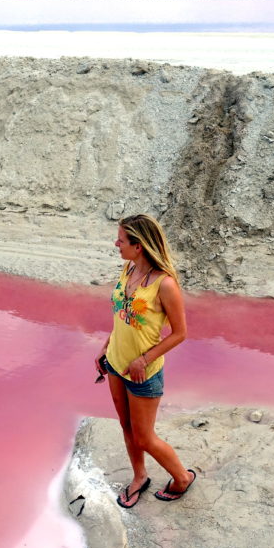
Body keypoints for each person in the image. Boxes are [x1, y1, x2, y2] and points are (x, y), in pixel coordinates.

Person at [95, 214, 197, 508]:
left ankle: (182, 478)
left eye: (122, 240)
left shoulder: (165, 285)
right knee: (126, 427)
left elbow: (180, 333)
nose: (117, 244)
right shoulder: (127, 270)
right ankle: (140, 477)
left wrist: (144, 359)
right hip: (116, 362)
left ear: (138, 246)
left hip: (143, 372)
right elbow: (121, 318)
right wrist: (106, 347)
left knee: (145, 438)